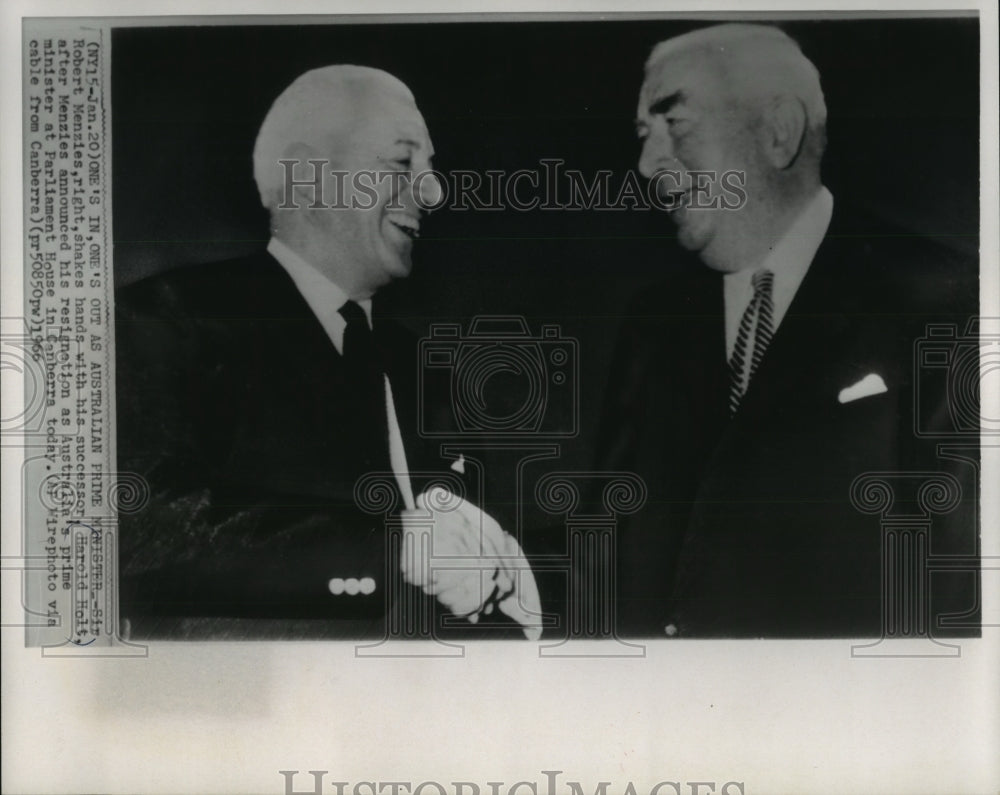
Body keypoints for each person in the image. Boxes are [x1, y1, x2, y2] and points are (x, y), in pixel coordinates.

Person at [116, 65, 540, 640]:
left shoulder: (428, 367)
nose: (434, 191)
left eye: (431, 170)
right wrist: (383, 547)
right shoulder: (169, 319)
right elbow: (133, 529)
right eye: (401, 163)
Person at [597, 24, 979, 637]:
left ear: (779, 132)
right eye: (644, 137)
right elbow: (609, 564)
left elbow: (962, 587)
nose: (647, 165)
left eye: (675, 124)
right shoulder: (651, 326)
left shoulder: (944, 303)